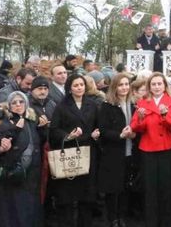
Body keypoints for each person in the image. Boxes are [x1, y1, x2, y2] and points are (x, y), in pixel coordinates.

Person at [130, 72, 171, 227]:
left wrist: (165, 115)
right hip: (148, 148)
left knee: (166, 186)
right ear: (149, 87)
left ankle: (166, 221)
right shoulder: (142, 103)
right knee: (150, 188)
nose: (157, 87)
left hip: (168, 148)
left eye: (160, 84)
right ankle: (151, 221)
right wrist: (140, 118)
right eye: (154, 84)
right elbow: (135, 127)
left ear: (165, 85)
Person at [49, 74, 101, 227]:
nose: (79, 88)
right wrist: (68, 136)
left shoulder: (92, 105)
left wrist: (97, 134)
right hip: (70, 154)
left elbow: (98, 125)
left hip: (89, 152)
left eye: (82, 85)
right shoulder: (62, 106)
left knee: (87, 195)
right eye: (76, 85)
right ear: (69, 88)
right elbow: (54, 130)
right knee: (67, 196)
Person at [0, 91, 43, 227]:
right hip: (13, 172)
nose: (18, 105)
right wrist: (14, 130)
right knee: (13, 211)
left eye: (21, 102)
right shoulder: (4, 122)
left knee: (31, 209)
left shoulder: (32, 120)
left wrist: (44, 129)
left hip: (32, 173)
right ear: (8, 106)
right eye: (14, 103)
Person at [99, 73, 137, 227]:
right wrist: (120, 135)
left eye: (127, 84)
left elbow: (137, 126)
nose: (124, 87)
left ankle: (122, 216)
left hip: (129, 152)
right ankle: (112, 218)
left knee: (125, 188)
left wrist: (135, 133)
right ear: (114, 87)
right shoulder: (107, 105)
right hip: (113, 153)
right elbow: (103, 130)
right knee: (112, 189)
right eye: (121, 85)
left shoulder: (133, 105)